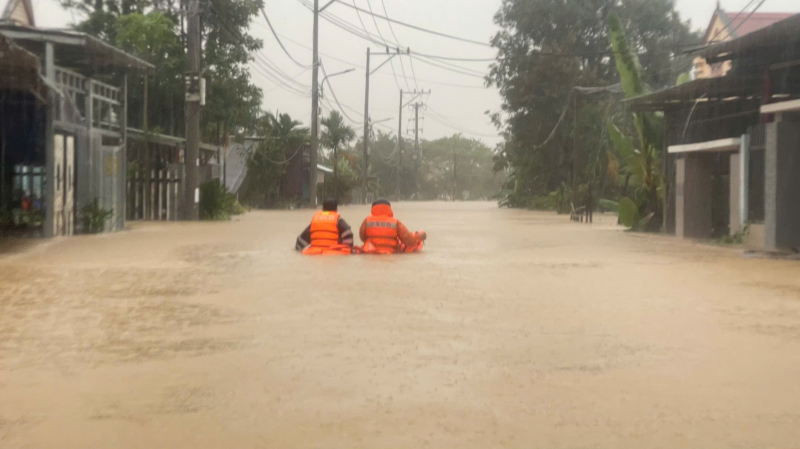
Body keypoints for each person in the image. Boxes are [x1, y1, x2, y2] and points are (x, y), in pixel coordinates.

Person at [359, 198, 427, 254]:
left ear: (373, 208)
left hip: (369, 252)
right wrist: (420, 237)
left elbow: (362, 237)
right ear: (389, 208)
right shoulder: (395, 222)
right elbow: (407, 240)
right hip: (389, 253)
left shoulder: (367, 220)